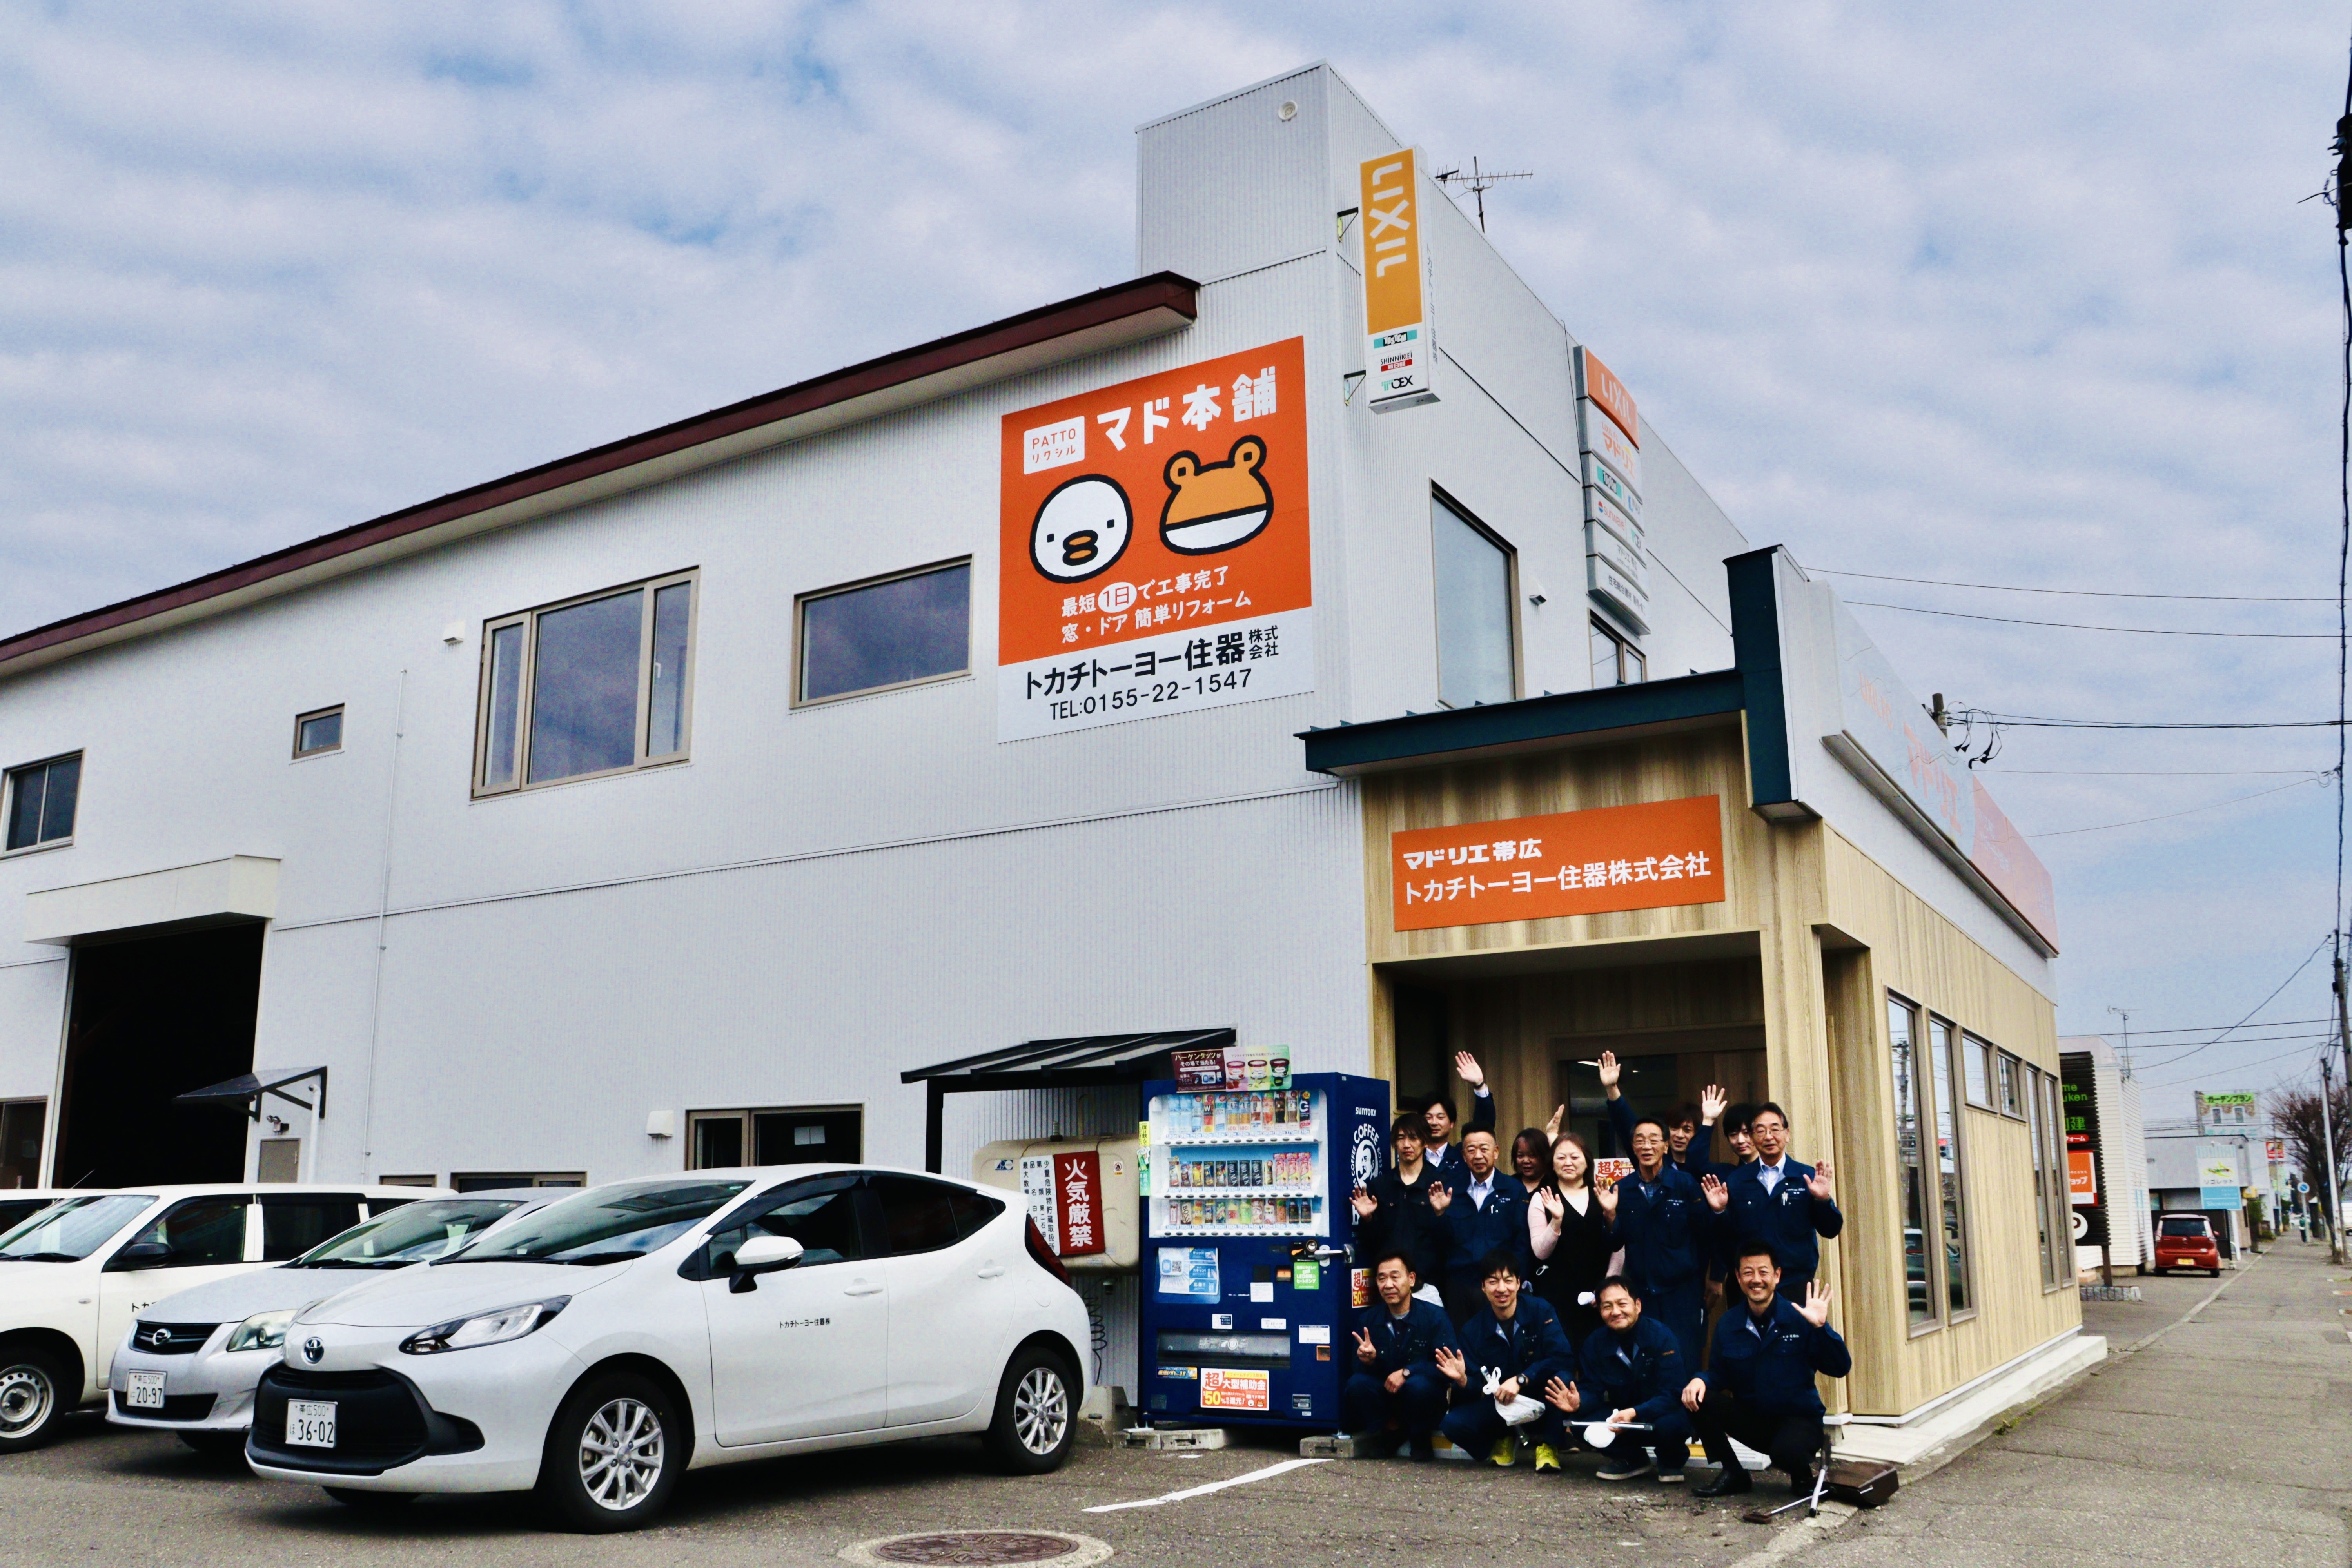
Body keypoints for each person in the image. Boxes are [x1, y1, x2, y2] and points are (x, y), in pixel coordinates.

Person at [1683, 1244, 1852, 1497]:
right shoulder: (1729, 1323)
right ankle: (1733, 1473)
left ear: (1777, 1275)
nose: (1756, 1280)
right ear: (1738, 1277)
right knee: (1695, 1396)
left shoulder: (1799, 1317)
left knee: (1787, 1452)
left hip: (1799, 1421)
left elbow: (1840, 1367)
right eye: (1748, 1273)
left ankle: (1802, 1476)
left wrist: (1821, 1328)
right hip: (1754, 1420)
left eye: (1763, 1272)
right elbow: (1719, 1374)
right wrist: (1700, 1380)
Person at [1600, 1053, 1725, 1366]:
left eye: (1654, 1140)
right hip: (1642, 1293)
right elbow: (1615, 1242)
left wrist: (1715, 1275)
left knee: (1685, 1361)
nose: (1647, 1146)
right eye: (1640, 1141)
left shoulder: (1686, 1184)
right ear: (1633, 1147)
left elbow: (1708, 1236)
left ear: (1665, 1146)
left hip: (1683, 1291)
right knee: (1648, 1363)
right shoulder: (1624, 1190)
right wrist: (1611, 1215)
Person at [1435, 1251, 1576, 1470]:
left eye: (1508, 1281)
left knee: (1563, 1379)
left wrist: (1522, 1379)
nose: (1502, 1289)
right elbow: (1476, 1386)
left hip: (1539, 1396)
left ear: (1518, 1283)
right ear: (1483, 1287)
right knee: (1451, 1424)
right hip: (1502, 1405)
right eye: (1493, 1282)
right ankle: (1501, 1440)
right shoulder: (1473, 1330)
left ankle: (1549, 1444)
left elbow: (1563, 1357)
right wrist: (1463, 1380)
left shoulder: (1541, 1310)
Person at [1548, 1276, 1696, 1483]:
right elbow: (1593, 1388)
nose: (1616, 1312)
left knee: (1673, 1423)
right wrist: (1579, 1401)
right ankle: (1632, 1459)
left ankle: (1671, 1460)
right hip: (1621, 1418)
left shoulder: (1662, 1337)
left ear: (1638, 1305)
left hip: (1657, 1414)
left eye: (1622, 1304)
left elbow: (1673, 1393)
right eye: (1607, 1306)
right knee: (1581, 1424)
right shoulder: (1595, 1343)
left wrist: (1636, 1413)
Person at [1720, 1102, 1842, 1299]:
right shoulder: (1737, 1180)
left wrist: (1822, 1200)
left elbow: (1831, 1230)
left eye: (1775, 1129)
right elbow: (1725, 1238)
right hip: (1752, 1285)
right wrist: (1719, 1211)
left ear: (1787, 1134)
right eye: (1761, 1131)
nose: (1769, 1137)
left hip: (1795, 1283)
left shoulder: (1806, 1176)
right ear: (1753, 1138)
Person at [1346, 1250, 1459, 1460]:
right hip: (1388, 1397)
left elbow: (1448, 1369)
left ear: (1411, 1279)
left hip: (1424, 1399)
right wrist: (1369, 1361)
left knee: (1419, 1386)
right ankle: (1391, 1431)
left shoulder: (1435, 1317)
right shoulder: (1369, 1320)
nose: (1388, 1285)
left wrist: (1408, 1372)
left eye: (1395, 1277)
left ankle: (1420, 1436)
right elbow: (1357, 1370)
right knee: (1357, 1384)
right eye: (1382, 1279)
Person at [1352, 1115, 1459, 1299]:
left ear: (1425, 1142)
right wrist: (1368, 1219)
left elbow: (1450, 1243)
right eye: (1401, 1138)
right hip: (1389, 1285)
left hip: (1428, 1284)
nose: (1407, 1145)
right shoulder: (1380, 1186)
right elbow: (1371, 1243)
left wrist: (1441, 1214)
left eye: (1413, 1138)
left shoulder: (1440, 1185)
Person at [1429, 1129, 1527, 1325]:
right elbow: (1440, 1243)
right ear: (1464, 1156)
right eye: (1471, 1150)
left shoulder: (1514, 1190)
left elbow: (1522, 1241)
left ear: (1496, 1152)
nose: (1478, 1156)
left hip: (1499, 1284)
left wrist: (1515, 1280)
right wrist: (1439, 1215)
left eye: (1484, 1149)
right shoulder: (1450, 1191)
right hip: (1459, 1285)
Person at [1527, 1131, 1613, 1344]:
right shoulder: (1542, 1197)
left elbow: (1619, 1246)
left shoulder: (1602, 1194)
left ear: (1587, 1161)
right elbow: (1540, 1252)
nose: (1568, 1163)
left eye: (1575, 1157)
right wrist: (1556, 1221)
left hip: (1601, 1295)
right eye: (1561, 1157)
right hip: (1557, 1296)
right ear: (1552, 1163)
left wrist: (1609, 1285)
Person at [1421, 1051, 1497, 1171]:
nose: (1434, 1123)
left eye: (1440, 1117)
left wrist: (1479, 1085)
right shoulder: (1413, 1158)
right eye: (1428, 1118)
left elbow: (1483, 1126)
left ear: (1452, 1123)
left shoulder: (1462, 1155)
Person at [1508, 1128, 1552, 1198]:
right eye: (1520, 1156)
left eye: (1532, 1156)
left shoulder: (1554, 1183)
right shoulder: (1509, 1184)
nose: (1526, 1161)